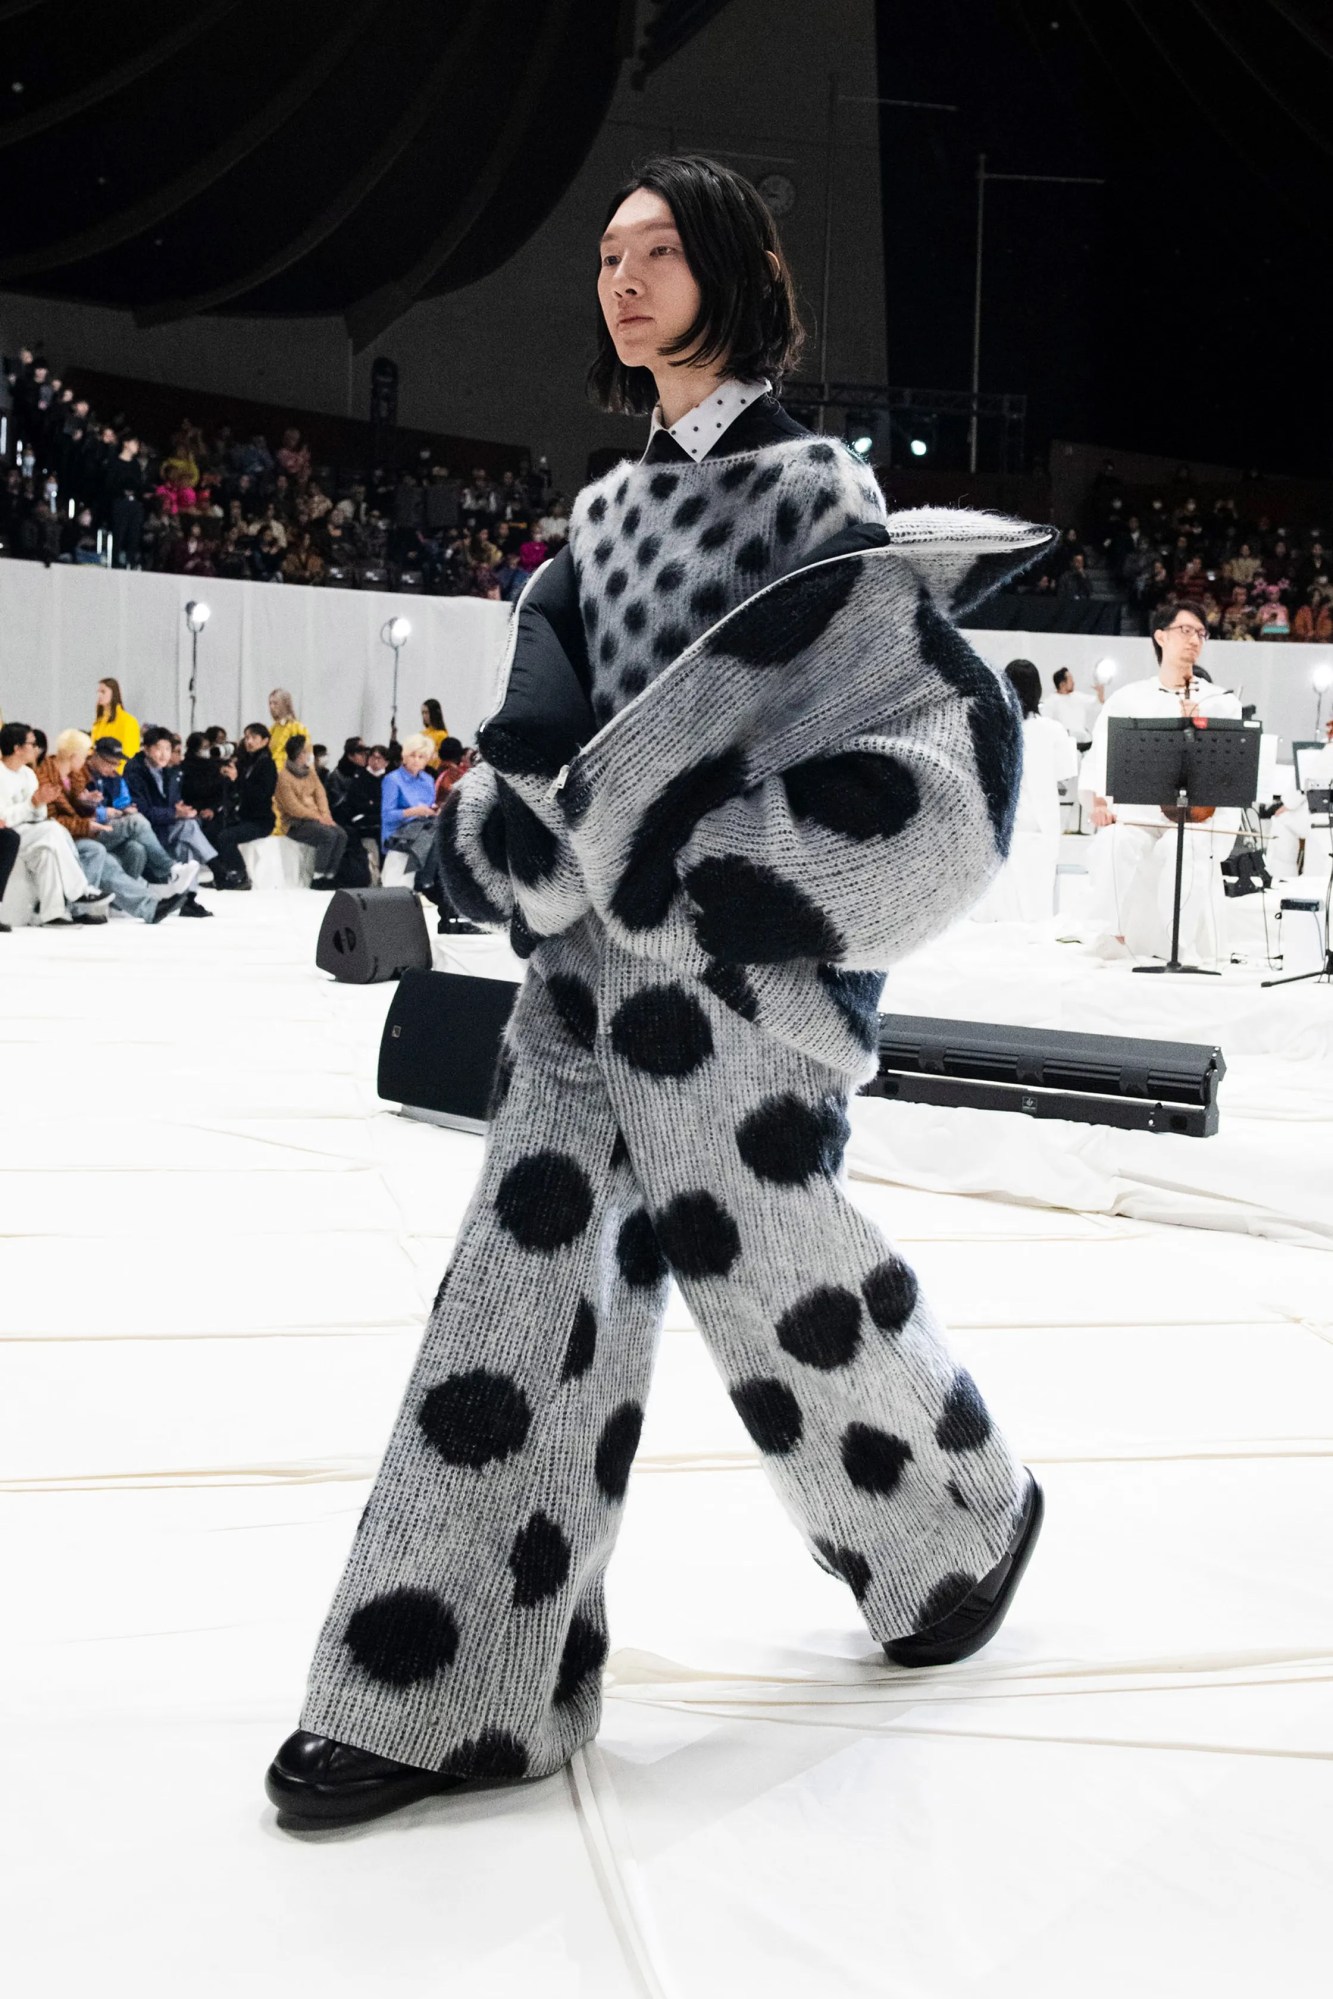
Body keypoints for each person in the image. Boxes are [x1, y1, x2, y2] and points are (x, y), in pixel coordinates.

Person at [266, 153, 1051, 1832]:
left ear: (725, 272)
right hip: (578, 997)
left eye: (655, 252)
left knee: (777, 1280)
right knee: (516, 1292)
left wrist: (732, 883)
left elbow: (946, 756)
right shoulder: (591, 529)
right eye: (607, 257)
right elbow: (527, 753)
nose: (620, 281)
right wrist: (510, 837)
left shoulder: (821, 501)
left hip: (734, 1000)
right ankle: (453, 1684)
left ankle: (956, 1516)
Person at [1079, 605, 1243, 962]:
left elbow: (1230, 770)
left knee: (1181, 848)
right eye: (1185, 630)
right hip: (1142, 814)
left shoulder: (1222, 702)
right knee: (1114, 842)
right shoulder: (1128, 698)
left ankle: (1176, 947)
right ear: (1161, 635)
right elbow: (1098, 756)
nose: (1194, 639)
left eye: (1201, 633)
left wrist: (1198, 732)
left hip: (1202, 817)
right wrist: (1098, 802)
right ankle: (1112, 933)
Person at [35, 731, 187, 924]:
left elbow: (77, 809)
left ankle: (150, 907)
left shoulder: (72, 775)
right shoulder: (47, 777)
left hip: (80, 833)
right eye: (84, 755)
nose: (86, 760)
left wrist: (88, 804)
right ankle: (168, 871)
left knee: (114, 862)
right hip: (69, 837)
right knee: (110, 843)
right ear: (74, 755)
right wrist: (90, 819)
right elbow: (51, 819)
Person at [974, 662, 1078, 923]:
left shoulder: (992, 729)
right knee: (1037, 896)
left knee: (1002, 896)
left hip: (1002, 822)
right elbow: (1066, 771)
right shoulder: (1051, 730)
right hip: (1041, 823)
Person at [0, 721, 111, 924]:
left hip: (29, 830)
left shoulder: (28, 774)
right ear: (17, 748)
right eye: (31, 744)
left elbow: (39, 814)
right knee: (52, 830)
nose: (36, 749)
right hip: (9, 834)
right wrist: (33, 803)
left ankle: (53, 912)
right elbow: (3, 818)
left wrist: (39, 802)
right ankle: (80, 890)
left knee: (47, 852)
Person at [123, 727, 217, 879]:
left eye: (167, 749)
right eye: (158, 749)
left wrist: (180, 810)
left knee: (186, 839)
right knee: (188, 826)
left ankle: (188, 896)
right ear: (146, 750)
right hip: (147, 831)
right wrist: (175, 813)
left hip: (165, 825)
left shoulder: (170, 771)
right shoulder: (135, 773)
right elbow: (143, 812)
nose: (164, 754)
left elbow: (172, 803)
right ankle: (215, 865)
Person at [209, 723, 278, 889]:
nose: (249, 741)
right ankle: (222, 873)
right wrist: (227, 776)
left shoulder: (267, 764)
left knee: (226, 836)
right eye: (247, 737)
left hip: (260, 820)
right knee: (211, 831)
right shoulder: (245, 761)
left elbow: (260, 794)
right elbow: (234, 789)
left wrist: (237, 779)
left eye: (254, 737)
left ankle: (239, 874)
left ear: (265, 740)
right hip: (242, 816)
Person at [273, 733, 347, 887]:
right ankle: (317, 876)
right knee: (328, 836)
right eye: (307, 751)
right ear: (300, 754)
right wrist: (318, 817)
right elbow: (293, 808)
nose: (310, 754)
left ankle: (330, 874)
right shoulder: (284, 777)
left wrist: (325, 815)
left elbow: (320, 794)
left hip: (317, 818)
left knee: (341, 834)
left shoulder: (310, 772)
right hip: (295, 823)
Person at [379, 732, 439, 880]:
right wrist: (413, 811)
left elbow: (430, 806)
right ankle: (424, 880)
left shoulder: (428, 780)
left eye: (421, 757)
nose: (416, 760)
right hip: (398, 831)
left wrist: (434, 810)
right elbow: (387, 815)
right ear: (404, 756)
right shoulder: (393, 780)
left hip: (423, 827)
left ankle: (429, 880)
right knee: (431, 834)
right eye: (413, 755)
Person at [91, 678, 141, 761]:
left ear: (114, 693)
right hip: (99, 769)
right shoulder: (98, 723)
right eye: (98, 692)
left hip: (118, 770)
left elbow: (130, 753)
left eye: (103, 692)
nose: (99, 695)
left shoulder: (128, 721)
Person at [1041, 666, 1092, 740]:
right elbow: (1045, 723)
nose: (1073, 682)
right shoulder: (1051, 701)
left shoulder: (1077, 696)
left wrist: (1100, 694)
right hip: (1063, 743)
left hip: (1083, 742)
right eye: (1070, 679)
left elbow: (1097, 703)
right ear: (1062, 684)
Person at [419, 700, 450, 768]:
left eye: (426, 712)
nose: (424, 716)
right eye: (423, 713)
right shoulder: (422, 734)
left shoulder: (442, 735)